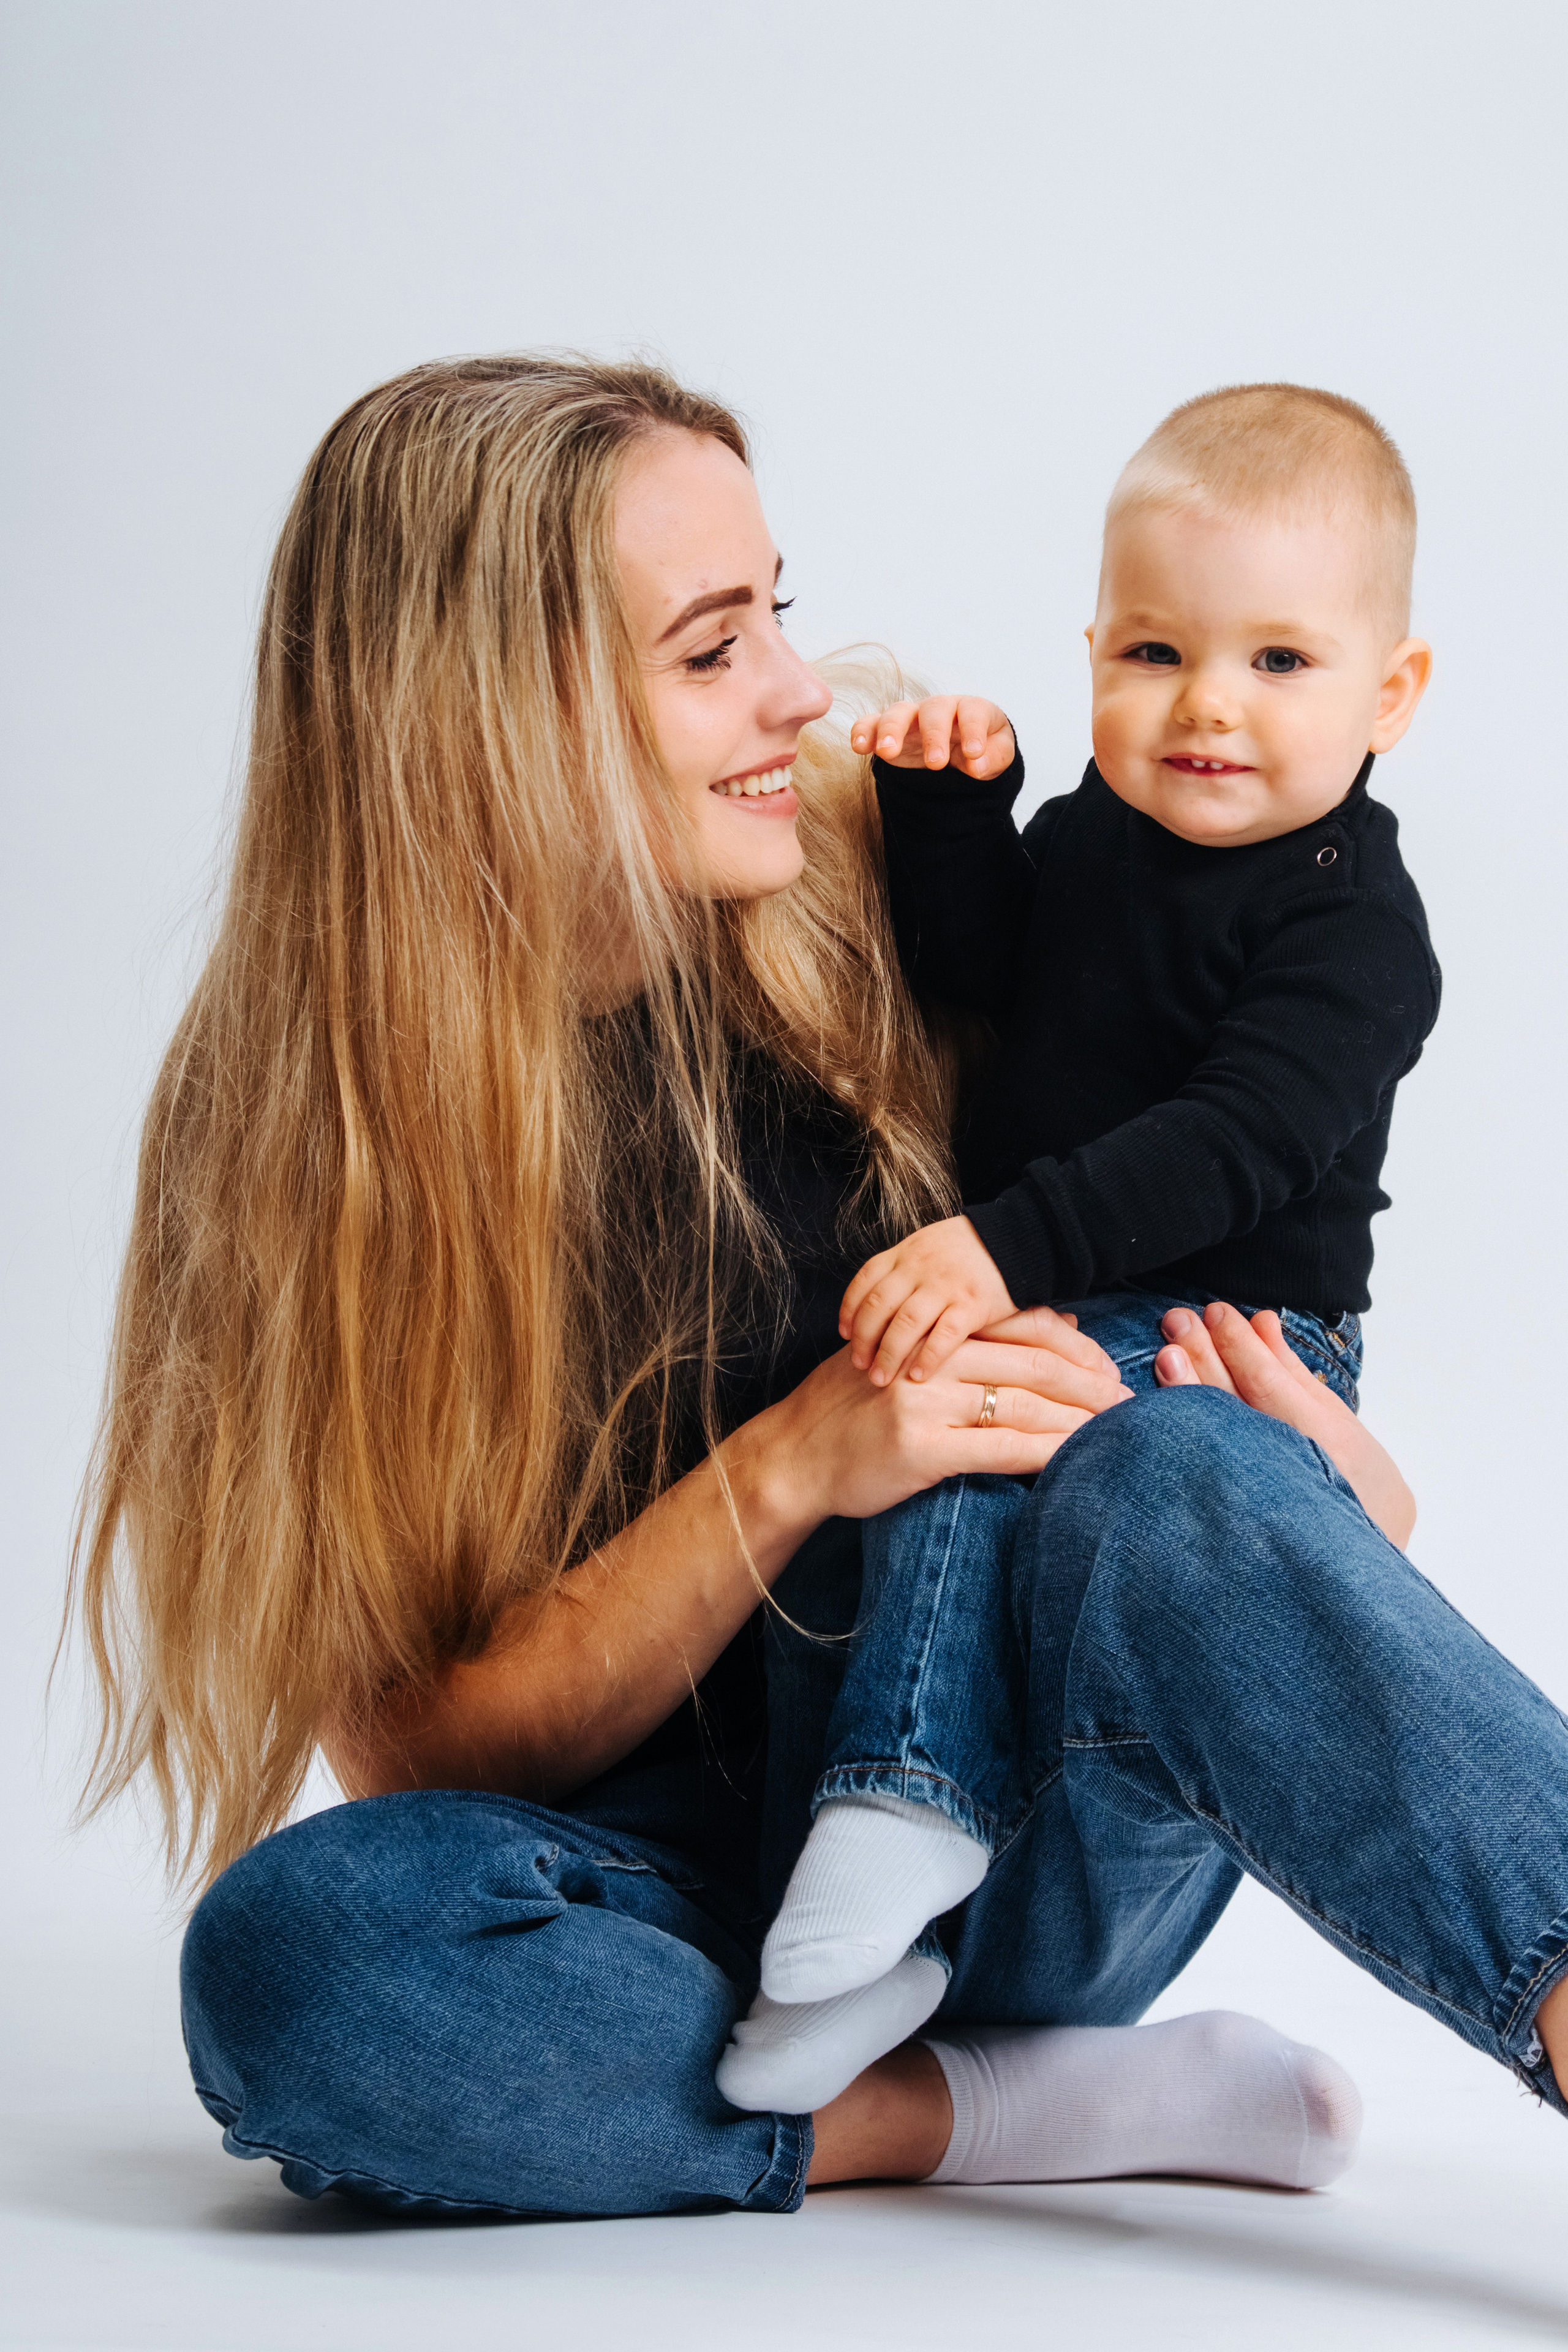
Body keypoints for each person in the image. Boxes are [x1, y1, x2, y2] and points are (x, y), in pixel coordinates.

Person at [69, 356, 1568, 2220]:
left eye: (776, 610)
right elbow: (415, 1755)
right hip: (684, 1908)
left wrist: (1338, 1505)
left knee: (1178, 1470)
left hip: (1018, 1825)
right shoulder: (310, 1131)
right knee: (297, 1964)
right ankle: (988, 2113)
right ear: (484, 716)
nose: (796, 688)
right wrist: (794, 1461)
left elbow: (1229, 1178)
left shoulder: (876, 860)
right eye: (713, 649)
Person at [732, 386, 1450, 2107]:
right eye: (1154, 652)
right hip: (1048, 1275)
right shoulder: (1097, 834)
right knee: (921, 1430)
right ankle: (880, 1904)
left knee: (985, 1407)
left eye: (1280, 661)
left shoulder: (1358, 926)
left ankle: (907, 1804)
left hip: (1228, 1325)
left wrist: (1000, 1253)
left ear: (1391, 694)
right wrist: (953, 811)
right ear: (1095, 654)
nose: (1207, 703)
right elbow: (979, 978)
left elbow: (1234, 1144)